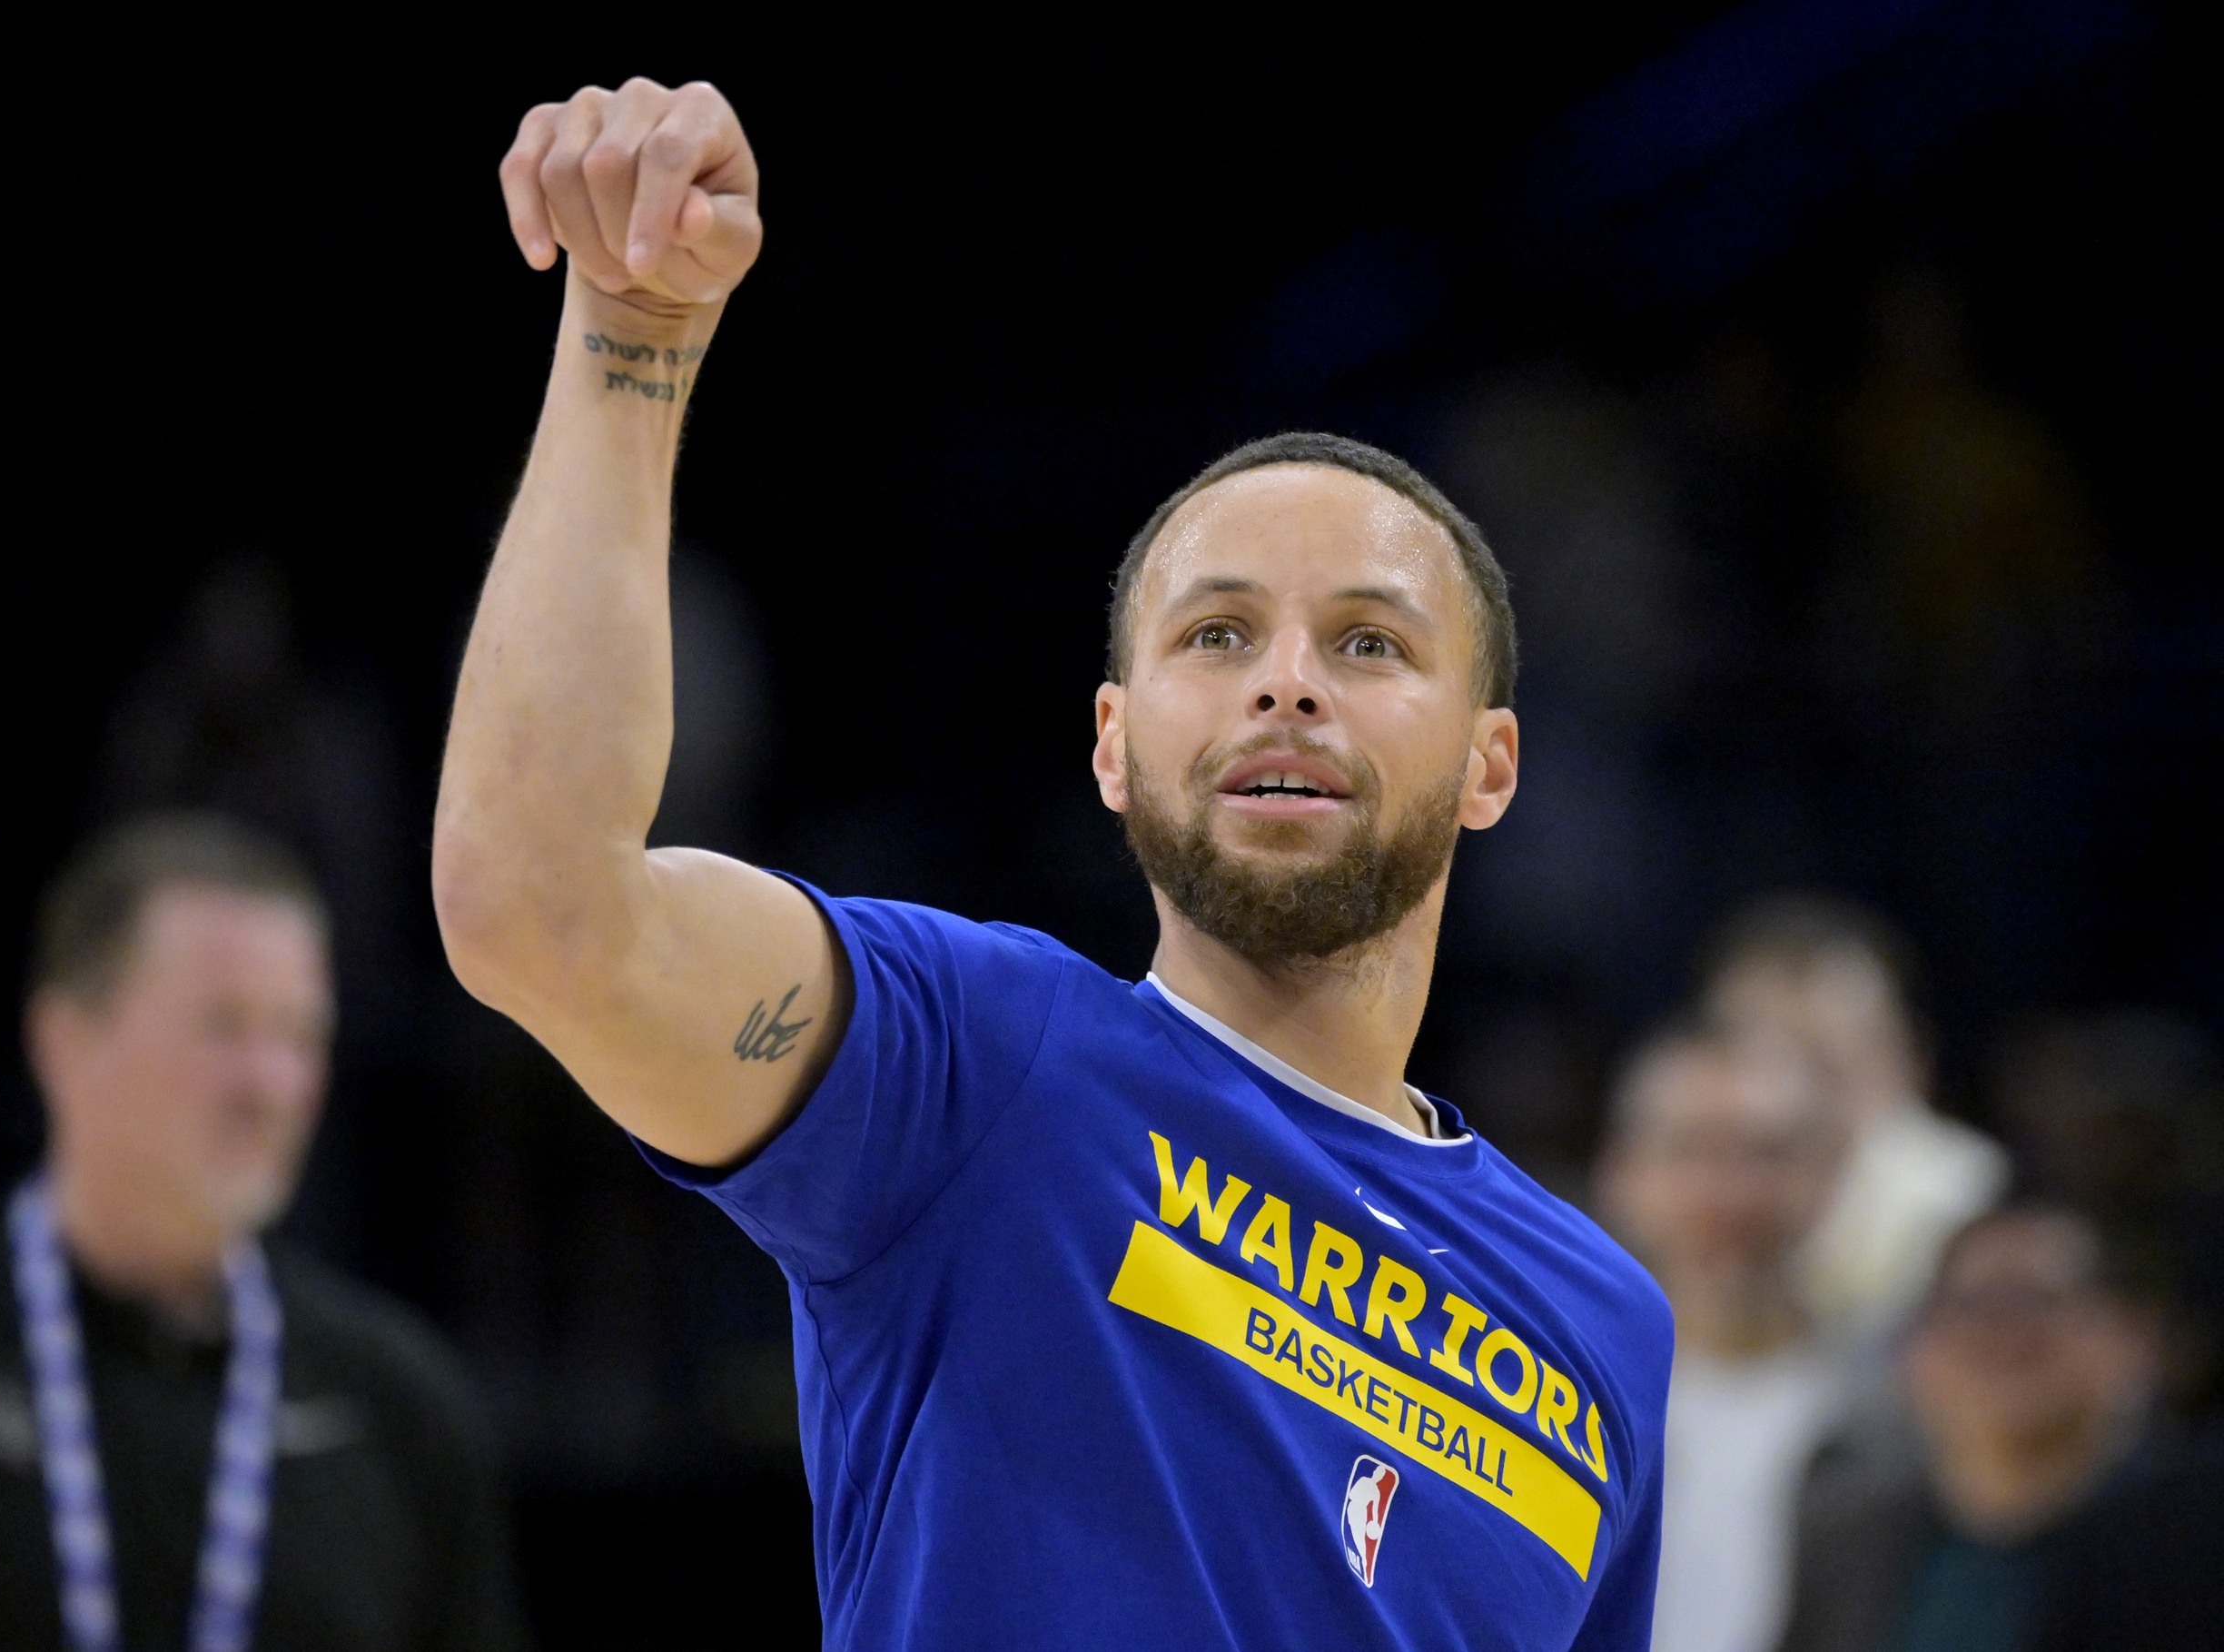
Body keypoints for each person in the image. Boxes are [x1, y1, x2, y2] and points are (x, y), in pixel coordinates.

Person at [433, 76, 1673, 1649]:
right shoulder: (978, 1058)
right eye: (1216, 633)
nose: (1285, 679)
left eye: (1367, 641)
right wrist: (633, 334)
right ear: (1111, 742)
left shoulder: (1606, 1323)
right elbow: (541, 908)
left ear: (1492, 759)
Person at [0, 816, 524, 1652]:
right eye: (224, 1025)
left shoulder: (396, 1400)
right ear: (64, 1041)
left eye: (300, 1034)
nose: (270, 1084)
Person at [1776, 1202, 2223, 1652]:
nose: (2004, 1334)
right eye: (1970, 1304)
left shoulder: (2194, 1544)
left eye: (2041, 1301)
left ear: (2134, 1340)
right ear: (1912, 1353)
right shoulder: (1848, 1540)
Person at [1596, 1027, 1844, 1652]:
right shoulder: (1542, 1399)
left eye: (1767, 1152)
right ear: (1622, 1173)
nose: (1732, 1194)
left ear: (1829, 1175)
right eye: (1693, 1150)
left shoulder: (1900, 1408)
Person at [1702, 895, 2006, 1346]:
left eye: (1829, 1062)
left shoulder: (1968, 1192)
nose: (1800, 1099)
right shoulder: (1679, 1185)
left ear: (1910, 1058)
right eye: (1769, 1061)